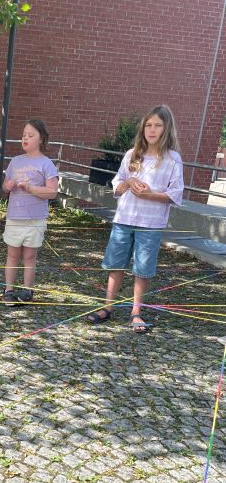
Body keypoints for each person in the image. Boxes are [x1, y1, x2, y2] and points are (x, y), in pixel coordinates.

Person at [86, 105, 184, 333]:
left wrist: (150, 194)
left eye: (157, 125)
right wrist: (128, 182)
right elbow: (117, 185)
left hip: (150, 224)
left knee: (142, 268)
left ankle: (136, 312)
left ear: (167, 129)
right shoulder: (132, 154)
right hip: (124, 219)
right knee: (115, 264)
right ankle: (107, 307)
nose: (152, 129)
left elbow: (175, 193)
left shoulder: (173, 158)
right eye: (148, 125)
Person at [1, 119, 58, 305]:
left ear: (41, 139)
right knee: (12, 255)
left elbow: (52, 192)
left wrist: (31, 188)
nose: (25, 138)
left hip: (35, 220)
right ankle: (8, 289)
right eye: (24, 135)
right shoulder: (15, 161)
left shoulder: (46, 164)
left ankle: (27, 290)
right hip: (14, 218)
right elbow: (5, 186)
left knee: (29, 256)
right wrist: (8, 185)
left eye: (30, 135)